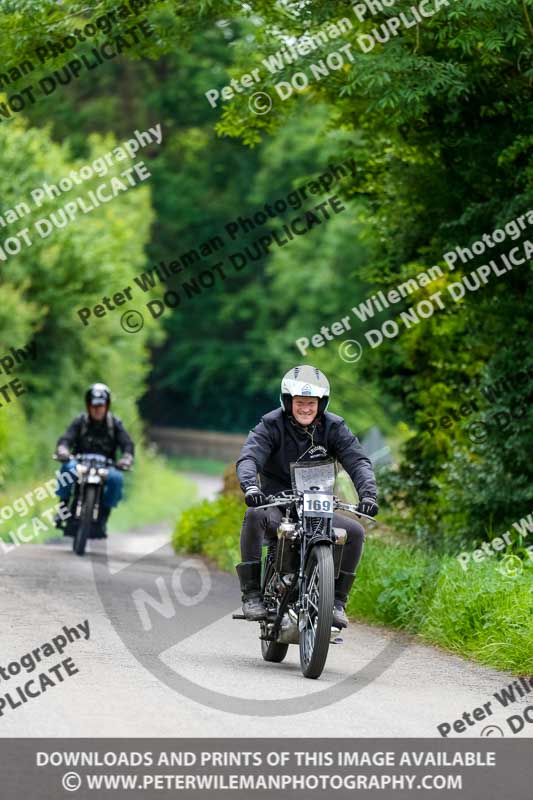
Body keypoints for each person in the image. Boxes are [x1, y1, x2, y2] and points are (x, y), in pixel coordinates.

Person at [235, 365, 378, 629]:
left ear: (321, 404)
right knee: (254, 515)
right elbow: (249, 457)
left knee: (355, 532)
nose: (305, 408)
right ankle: (252, 593)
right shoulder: (270, 425)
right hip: (278, 503)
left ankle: (336, 602)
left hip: (319, 503)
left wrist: (368, 494)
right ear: (288, 402)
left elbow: (358, 462)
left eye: (311, 403)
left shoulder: (335, 428)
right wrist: (251, 488)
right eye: (300, 402)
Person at [54, 383, 134, 534]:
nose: (97, 409)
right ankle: (63, 508)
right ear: (88, 406)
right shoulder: (80, 422)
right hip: (80, 462)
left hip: (106, 466)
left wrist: (126, 458)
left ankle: (104, 516)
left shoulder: (115, 424)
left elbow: (127, 444)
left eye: (101, 405)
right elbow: (66, 439)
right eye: (93, 405)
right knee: (68, 468)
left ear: (107, 406)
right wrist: (63, 450)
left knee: (116, 478)